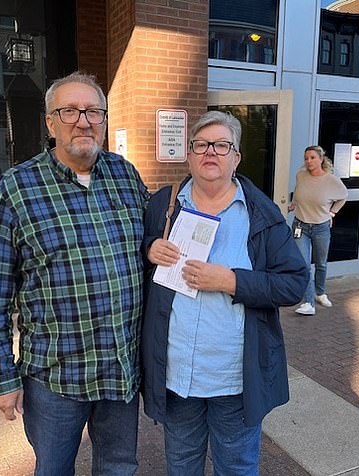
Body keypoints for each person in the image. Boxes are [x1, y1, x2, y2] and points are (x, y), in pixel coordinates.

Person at [0, 71, 148, 475]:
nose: (83, 121)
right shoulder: (16, 189)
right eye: (69, 111)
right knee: (53, 469)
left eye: (93, 111)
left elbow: (151, 249)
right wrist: (0, 378)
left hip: (120, 369)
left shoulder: (126, 176)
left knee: (120, 467)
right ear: (50, 122)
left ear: (104, 119)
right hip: (55, 376)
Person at [141, 111, 308, 475]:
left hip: (234, 379)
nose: (209, 153)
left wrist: (231, 281)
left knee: (236, 468)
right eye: (201, 145)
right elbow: (135, 256)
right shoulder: (164, 206)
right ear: (190, 154)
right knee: (181, 467)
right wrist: (150, 247)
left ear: (236, 157)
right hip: (177, 376)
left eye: (221, 145)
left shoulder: (261, 214)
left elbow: (295, 283)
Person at [288, 145, 348, 316]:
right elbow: (299, 193)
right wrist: (294, 204)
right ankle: (308, 302)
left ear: (321, 159)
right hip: (300, 226)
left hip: (321, 227)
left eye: (312, 157)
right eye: (306, 158)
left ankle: (320, 293)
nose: (308, 161)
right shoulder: (301, 175)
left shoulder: (331, 180)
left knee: (321, 263)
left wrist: (332, 212)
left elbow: (344, 196)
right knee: (304, 265)